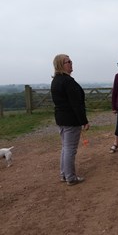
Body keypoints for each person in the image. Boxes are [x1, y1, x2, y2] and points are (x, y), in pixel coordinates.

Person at [51, 54, 89, 186]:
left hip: (61, 119)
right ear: (61, 64)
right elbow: (76, 104)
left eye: (71, 61)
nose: (71, 63)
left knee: (65, 148)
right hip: (70, 119)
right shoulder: (67, 81)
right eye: (68, 61)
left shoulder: (56, 80)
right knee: (70, 149)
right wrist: (84, 121)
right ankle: (70, 177)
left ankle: (64, 174)